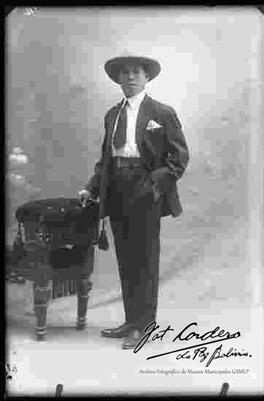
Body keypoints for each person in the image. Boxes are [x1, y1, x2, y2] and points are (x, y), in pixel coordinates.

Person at [78, 52, 189, 349]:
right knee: (126, 259)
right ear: (118, 79)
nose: (129, 77)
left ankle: (145, 326)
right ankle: (131, 321)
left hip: (146, 188)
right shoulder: (112, 115)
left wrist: (155, 184)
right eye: (124, 73)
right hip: (117, 189)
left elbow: (179, 157)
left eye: (136, 72)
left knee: (146, 260)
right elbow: (106, 158)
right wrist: (92, 188)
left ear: (147, 77)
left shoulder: (161, 112)